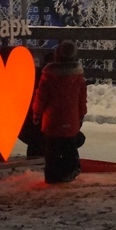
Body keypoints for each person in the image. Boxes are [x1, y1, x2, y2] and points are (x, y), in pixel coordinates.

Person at [31, 40, 87, 183]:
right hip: (72, 120)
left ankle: (52, 176)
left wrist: (36, 113)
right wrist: (81, 115)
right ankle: (71, 167)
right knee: (69, 146)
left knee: (52, 150)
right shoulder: (79, 78)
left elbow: (41, 97)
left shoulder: (48, 77)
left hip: (52, 121)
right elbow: (82, 101)